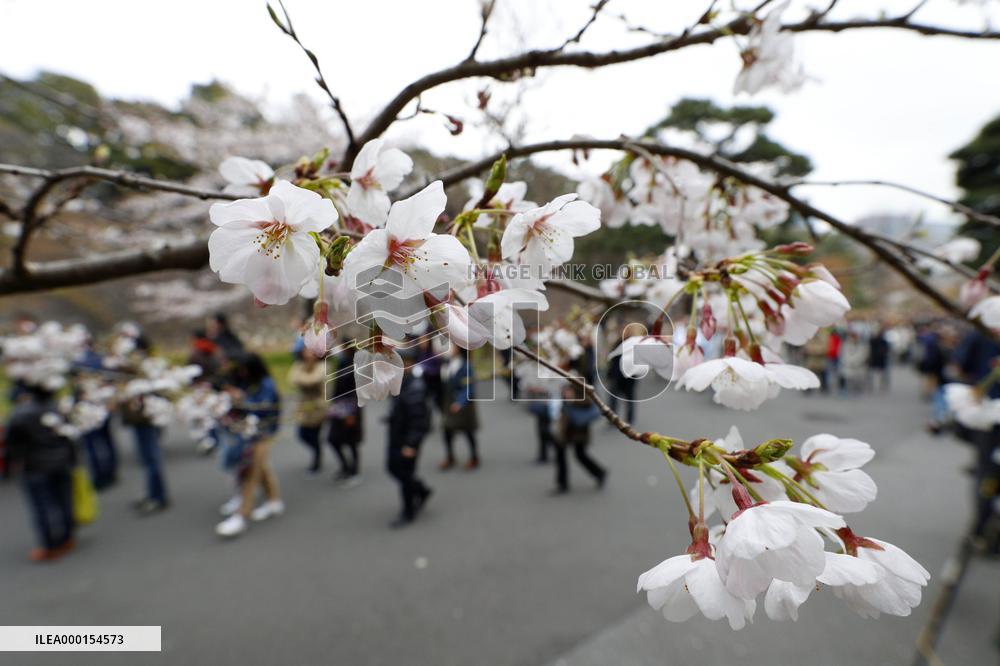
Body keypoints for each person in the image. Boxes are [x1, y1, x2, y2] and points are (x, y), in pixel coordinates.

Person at [6, 382, 78, 561]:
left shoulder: (20, 415)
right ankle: (67, 536)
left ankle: (49, 544)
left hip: (35, 466)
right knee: (64, 500)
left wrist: (14, 463)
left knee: (41, 506)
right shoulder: (59, 409)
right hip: (61, 461)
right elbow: (70, 435)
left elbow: (12, 444)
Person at [215, 353, 283, 538]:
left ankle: (241, 516)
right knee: (262, 468)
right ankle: (273, 501)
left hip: (261, 433)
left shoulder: (266, 384)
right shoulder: (255, 382)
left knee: (250, 474)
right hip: (254, 432)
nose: (243, 373)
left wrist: (240, 399)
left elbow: (262, 407)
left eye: (245, 370)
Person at [386, 353, 433, 528]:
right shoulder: (401, 382)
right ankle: (421, 490)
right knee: (393, 468)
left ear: (409, 364)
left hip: (406, 440)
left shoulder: (415, 387)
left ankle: (408, 512)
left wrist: (411, 444)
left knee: (404, 474)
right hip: (397, 435)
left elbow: (420, 420)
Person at [121, 389, 169, 514]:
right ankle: (153, 492)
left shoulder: (144, 389)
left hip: (145, 420)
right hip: (140, 421)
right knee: (148, 458)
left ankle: (157, 497)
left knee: (151, 458)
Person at [553, 385, 606, 493]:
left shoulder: (577, 380)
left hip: (579, 429)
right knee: (560, 452)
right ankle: (562, 483)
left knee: (580, 454)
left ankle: (599, 472)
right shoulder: (558, 380)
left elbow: (590, 401)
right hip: (565, 427)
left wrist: (572, 399)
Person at [439, 346, 479, 470]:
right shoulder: (447, 363)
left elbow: (469, 387)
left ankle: (474, 457)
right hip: (449, 401)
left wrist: (460, 403)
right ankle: (450, 456)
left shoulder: (466, 366)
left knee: (468, 431)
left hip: (463, 404)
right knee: (447, 431)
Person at [327, 345, 363, 485]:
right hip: (338, 409)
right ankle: (345, 466)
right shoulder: (341, 364)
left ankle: (354, 471)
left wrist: (352, 414)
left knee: (351, 442)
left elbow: (356, 393)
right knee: (333, 439)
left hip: (350, 411)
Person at [288, 349, 328, 474]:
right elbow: (291, 379)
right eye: (306, 352)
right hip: (304, 407)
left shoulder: (323, 366)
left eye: (311, 352)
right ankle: (317, 452)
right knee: (302, 434)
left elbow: (314, 380)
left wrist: (301, 379)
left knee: (314, 435)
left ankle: (316, 461)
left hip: (317, 407)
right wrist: (303, 379)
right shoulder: (299, 365)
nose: (309, 354)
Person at [839, 330, 869, 394]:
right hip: (847, 365)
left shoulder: (862, 346)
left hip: (858, 366)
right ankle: (846, 390)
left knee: (857, 381)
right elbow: (843, 355)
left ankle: (857, 390)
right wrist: (848, 362)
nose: (853, 339)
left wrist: (855, 362)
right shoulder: (845, 345)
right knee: (847, 378)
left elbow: (863, 356)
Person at [867, 326, 891, 392]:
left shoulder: (873, 341)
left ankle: (877, 386)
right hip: (878, 359)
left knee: (877, 374)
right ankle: (879, 386)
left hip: (877, 359)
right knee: (879, 374)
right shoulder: (882, 341)